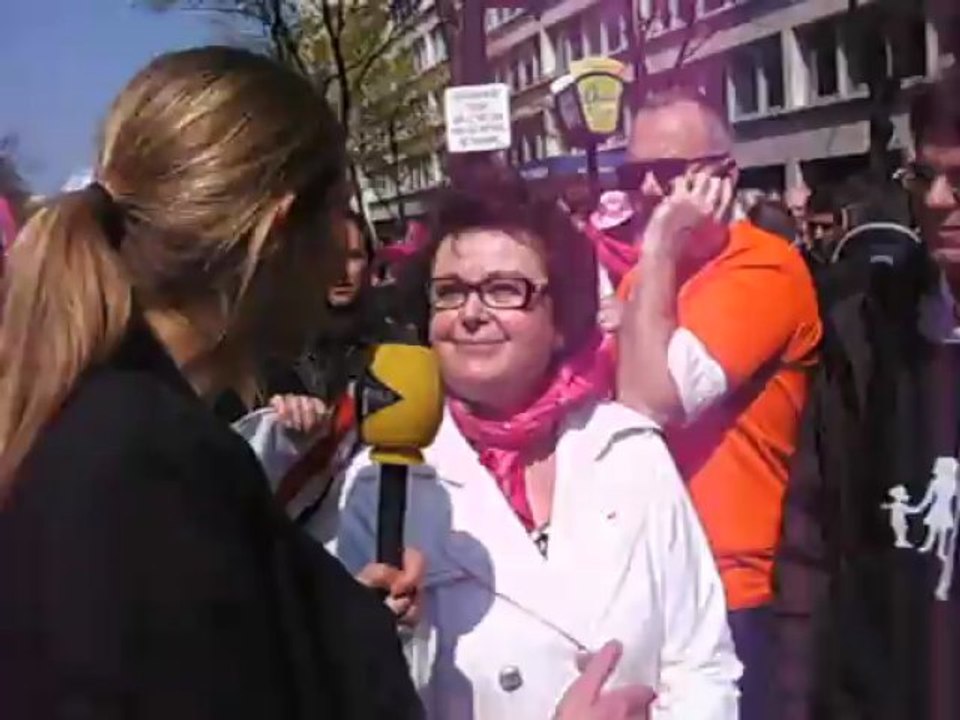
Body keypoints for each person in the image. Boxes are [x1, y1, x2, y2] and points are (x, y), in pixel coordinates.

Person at [0, 46, 423, 719]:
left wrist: (333, 621)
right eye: (340, 214)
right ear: (280, 231)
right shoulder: (149, 465)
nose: (345, 253)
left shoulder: (109, 426)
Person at [311, 176, 741, 719]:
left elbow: (702, 664)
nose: (470, 313)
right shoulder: (379, 483)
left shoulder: (630, 450)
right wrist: (388, 637)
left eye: (503, 289)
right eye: (449, 291)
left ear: (560, 319)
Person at [612, 87, 821, 720]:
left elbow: (651, 401)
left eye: (671, 172)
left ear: (724, 176)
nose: (650, 189)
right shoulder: (647, 279)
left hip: (743, 593)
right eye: (635, 172)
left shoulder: (766, 266)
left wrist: (658, 249)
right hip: (655, 581)